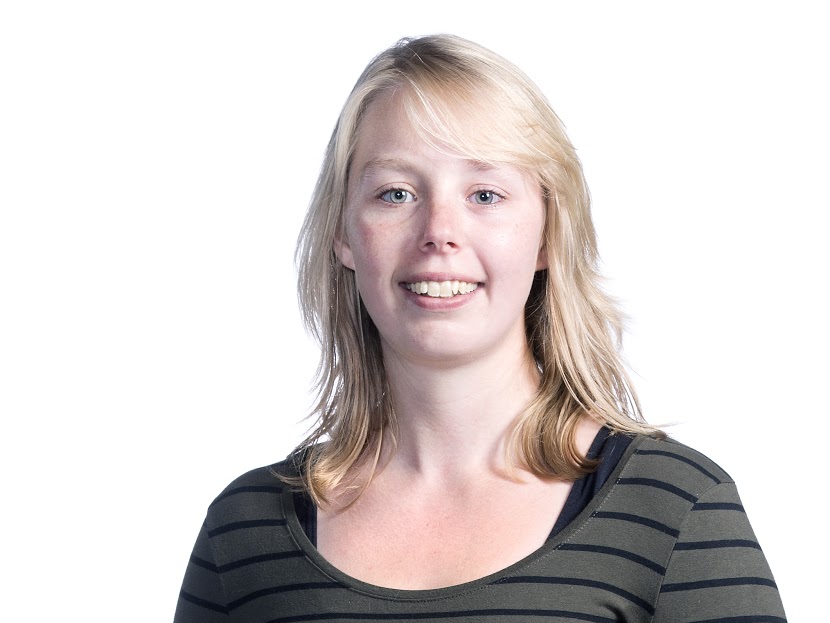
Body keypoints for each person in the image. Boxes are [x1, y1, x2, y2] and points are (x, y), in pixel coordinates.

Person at [174, 34, 786, 622]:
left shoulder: (676, 510)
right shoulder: (244, 534)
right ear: (343, 234)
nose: (439, 231)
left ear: (547, 233)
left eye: (485, 194)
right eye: (395, 193)